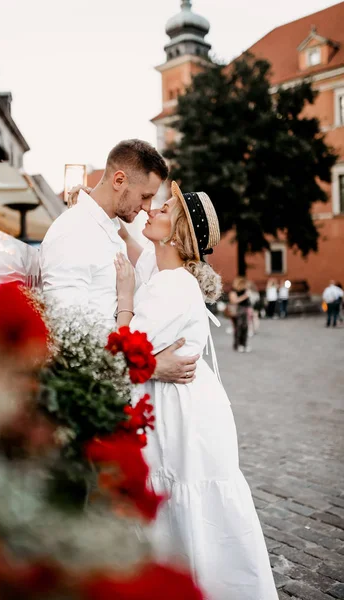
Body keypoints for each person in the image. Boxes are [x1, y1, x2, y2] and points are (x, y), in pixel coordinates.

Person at [114, 181, 278, 600]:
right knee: (186, 508)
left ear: (178, 233)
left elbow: (126, 350)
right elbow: (136, 249)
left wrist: (125, 298)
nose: (151, 211)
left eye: (163, 210)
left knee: (184, 506)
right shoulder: (168, 274)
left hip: (179, 416)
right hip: (182, 404)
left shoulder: (172, 285)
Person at [40, 139, 199, 384]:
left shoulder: (109, 230)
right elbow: (67, 336)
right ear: (119, 181)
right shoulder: (74, 232)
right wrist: (150, 369)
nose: (147, 208)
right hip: (91, 391)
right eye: (145, 196)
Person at [228, 277, 251, 352]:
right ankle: (237, 345)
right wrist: (245, 296)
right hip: (237, 311)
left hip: (245, 310)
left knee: (245, 328)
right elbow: (234, 301)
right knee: (238, 328)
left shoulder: (245, 290)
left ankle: (244, 344)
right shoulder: (233, 291)